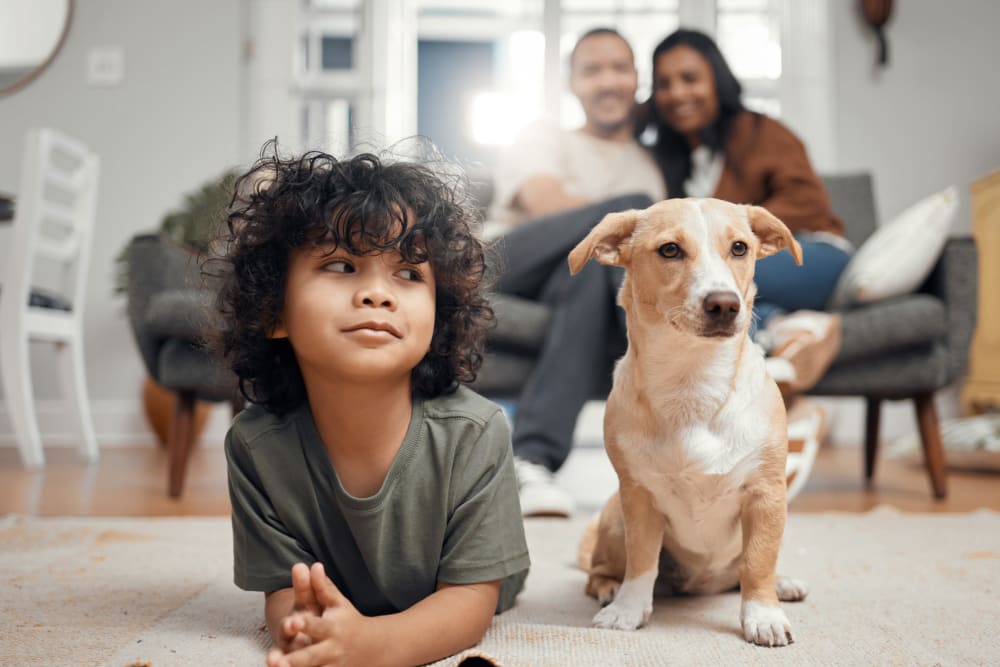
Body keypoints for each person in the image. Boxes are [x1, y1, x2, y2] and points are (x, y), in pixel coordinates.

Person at [212, 142, 530, 667]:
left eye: (409, 274)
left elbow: (471, 603)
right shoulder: (255, 445)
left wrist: (371, 648)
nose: (378, 294)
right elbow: (284, 593)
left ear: (439, 314)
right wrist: (309, 633)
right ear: (275, 311)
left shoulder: (476, 432)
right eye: (341, 265)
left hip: (471, 583)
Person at [488, 27, 665, 518]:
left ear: (636, 80)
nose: (607, 81)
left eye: (619, 68)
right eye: (592, 70)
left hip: (579, 282)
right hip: (503, 265)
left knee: (592, 273)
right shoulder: (545, 136)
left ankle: (532, 461)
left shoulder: (650, 163)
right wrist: (632, 219)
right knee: (637, 211)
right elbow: (543, 203)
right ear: (572, 84)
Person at [643, 28, 850, 398]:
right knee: (714, 304)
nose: (677, 93)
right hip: (739, 269)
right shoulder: (668, 160)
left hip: (812, 253)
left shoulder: (762, 132)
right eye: (664, 83)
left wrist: (734, 232)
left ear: (717, 81)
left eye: (690, 79)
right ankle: (786, 333)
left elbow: (809, 203)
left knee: (700, 279)